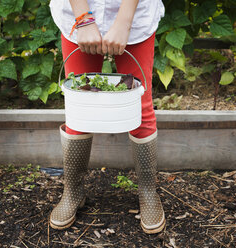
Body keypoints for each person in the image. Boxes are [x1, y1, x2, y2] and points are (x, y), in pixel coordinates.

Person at [49, 0, 166, 234]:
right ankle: (73, 191)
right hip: (77, 12)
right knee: (79, 107)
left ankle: (147, 192)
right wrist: (83, 19)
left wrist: (123, 22)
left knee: (140, 106)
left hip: (135, 16)